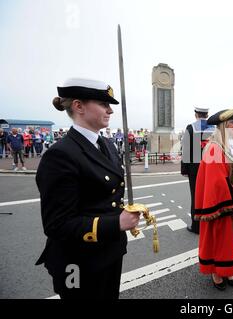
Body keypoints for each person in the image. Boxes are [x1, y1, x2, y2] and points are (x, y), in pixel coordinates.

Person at [35, 78, 141, 299]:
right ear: (78, 106)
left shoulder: (108, 144)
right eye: (103, 103)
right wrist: (117, 223)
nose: (110, 110)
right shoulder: (60, 154)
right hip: (77, 261)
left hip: (110, 251)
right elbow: (57, 225)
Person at [194, 109, 233, 290]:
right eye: (231, 123)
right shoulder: (214, 148)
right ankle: (217, 271)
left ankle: (229, 268)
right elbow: (216, 181)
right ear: (222, 126)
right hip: (225, 204)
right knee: (221, 238)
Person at [181, 107, 214, 234]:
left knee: (196, 196)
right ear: (207, 115)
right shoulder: (214, 128)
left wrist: (184, 169)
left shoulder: (191, 127)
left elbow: (186, 149)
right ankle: (209, 222)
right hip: (211, 167)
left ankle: (196, 226)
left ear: (196, 114)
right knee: (209, 195)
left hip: (195, 168)